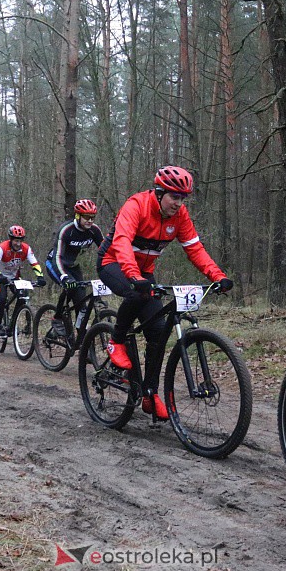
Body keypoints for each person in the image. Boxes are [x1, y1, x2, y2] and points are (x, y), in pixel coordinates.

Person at [97, 166, 234, 420]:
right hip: (113, 263)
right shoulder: (136, 205)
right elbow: (122, 241)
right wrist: (133, 275)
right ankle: (115, 341)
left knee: (158, 331)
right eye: (174, 197)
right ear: (159, 193)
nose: (178, 204)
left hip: (143, 272)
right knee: (136, 294)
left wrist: (218, 276)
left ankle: (150, 393)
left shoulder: (180, 216)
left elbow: (195, 249)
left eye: (183, 198)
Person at [45, 199, 104, 337]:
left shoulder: (94, 230)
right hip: (56, 264)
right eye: (87, 217)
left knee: (81, 305)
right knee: (70, 286)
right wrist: (64, 277)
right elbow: (57, 257)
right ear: (78, 216)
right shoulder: (66, 230)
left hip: (73, 266)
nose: (90, 221)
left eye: (92, 217)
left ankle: (82, 343)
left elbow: (107, 251)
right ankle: (58, 317)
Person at [0, 225, 46, 338]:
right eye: (15, 240)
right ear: (11, 239)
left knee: (22, 296)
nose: (18, 243)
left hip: (14, 277)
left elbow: (35, 264)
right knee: (2, 298)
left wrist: (40, 277)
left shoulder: (26, 249)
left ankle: (12, 325)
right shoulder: (2, 248)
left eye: (20, 240)